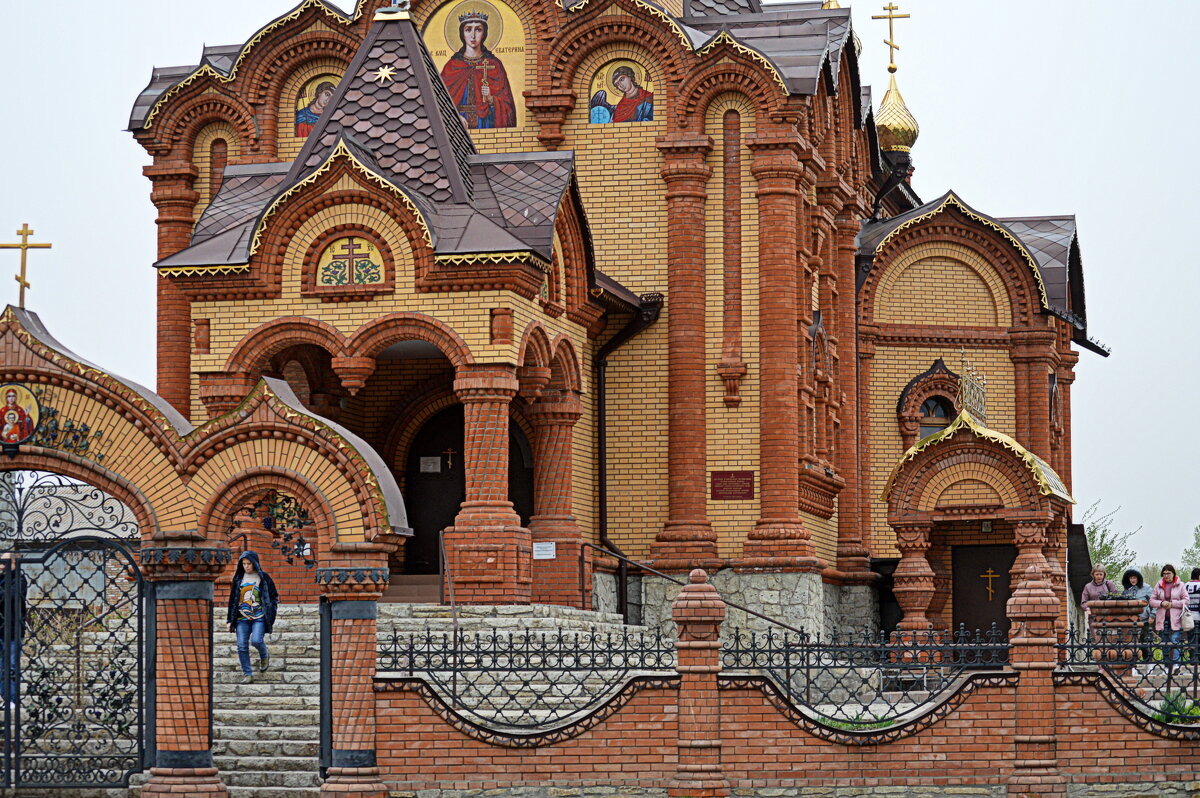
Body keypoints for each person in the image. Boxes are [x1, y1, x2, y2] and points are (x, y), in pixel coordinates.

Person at [439, 12, 517, 129]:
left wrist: (491, 100)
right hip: (458, 128)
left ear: (484, 33)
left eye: (478, 30)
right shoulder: (452, 66)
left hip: (486, 124)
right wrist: (454, 117)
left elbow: (508, 106)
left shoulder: (494, 65)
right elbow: (439, 102)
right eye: (468, 30)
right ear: (462, 33)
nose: (473, 36)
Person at [225, 551, 279, 684]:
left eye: (249, 563)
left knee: (256, 640)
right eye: (244, 564)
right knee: (242, 646)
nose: (246, 566)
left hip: (259, 616)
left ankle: (264, 654)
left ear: (254, 563)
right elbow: (233, 600)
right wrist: (229, 620)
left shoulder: (264, 577)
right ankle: (247, 674)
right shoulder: (238, 579)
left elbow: (274, 596)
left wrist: (271, 610)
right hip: (241, 618)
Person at [0, 552, 28, 708]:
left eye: (4, 563)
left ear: (13, 564)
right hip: (0, 630)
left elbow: (10, 596)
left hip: (13, 631)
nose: (1, 566)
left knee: (11, 666)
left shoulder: (20, 580)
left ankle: (12, 699)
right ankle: (4, 698)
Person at [1150, 563, 1188, 666]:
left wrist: (1172, 604)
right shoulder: (1158, 585)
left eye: (1168, 573)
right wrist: (1161, 603)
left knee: (1175, 641)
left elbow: (1186, 600)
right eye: (1164, 573)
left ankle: (1176, 666)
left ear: (1173, 573)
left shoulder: (1181, 585)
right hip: (1162, 619)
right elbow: (1152, 601)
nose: (1166, 575)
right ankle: (1167, 666)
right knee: (1165, 643)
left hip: (1176, 619)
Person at [588, 65, 654, 124]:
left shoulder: (648, 98)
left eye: (622, 79)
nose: (620, 85)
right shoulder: (620, 107)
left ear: (630, 77)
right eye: (617, 84)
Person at [1122, 568, 1154, 668]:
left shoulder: (1147, 588)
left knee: (1145, 642)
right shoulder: (1126, 590)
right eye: (1130, 578)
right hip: (1131, 621)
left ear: (1138, 577)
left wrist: (1152, 615)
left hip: (1144, 620)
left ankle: (1148, 664)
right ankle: (1133, 666)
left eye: (1134, 577)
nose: (1133, 580)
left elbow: (1154, 602)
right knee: (1132, 644)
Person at [1081, 565, 1118, 639]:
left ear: (1104, 574)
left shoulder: (1109, 584)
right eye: (1097, 574)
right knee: (1098, 641)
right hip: (1094, 618)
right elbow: (1083, 603)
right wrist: (1089, 610)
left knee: (1110, 640)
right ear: (1093, 575)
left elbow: (1116, 598)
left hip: (1109, 618)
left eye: (1101, 574)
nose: (1099, 576)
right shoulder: (1088, 587)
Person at [1186, 567, 1200, 648]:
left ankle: (1192, 658)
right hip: (1198, 616)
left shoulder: (1185, 585)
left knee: (1191, 640)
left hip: (1188, 617)